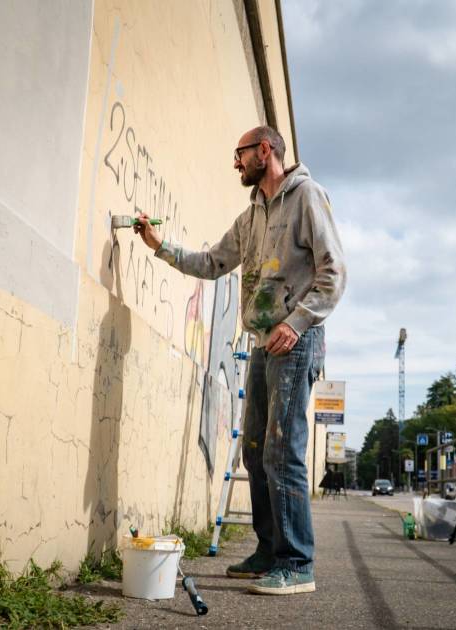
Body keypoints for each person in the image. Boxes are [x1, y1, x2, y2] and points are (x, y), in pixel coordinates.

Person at [133, 125, 345, 595]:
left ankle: (297, 563)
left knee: (282, 449)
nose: (236, 162)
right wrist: (158, 246)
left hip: (296, 340)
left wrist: (297, 322)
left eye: (240, 153)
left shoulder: (307, 196)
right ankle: (269, 550)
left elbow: (334, 271)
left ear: (264, 151)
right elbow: (213, 262)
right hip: (265, 342)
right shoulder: (252, 215)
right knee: (254, 448)